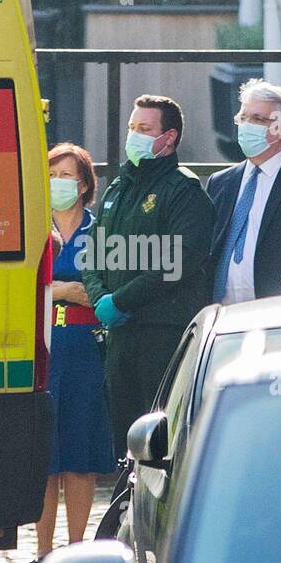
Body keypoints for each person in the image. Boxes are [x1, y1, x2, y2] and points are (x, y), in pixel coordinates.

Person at [83, 95, 215, 459]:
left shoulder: (184, 192)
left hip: (161, 335)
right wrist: (100, 299)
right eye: (132, 128)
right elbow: (93, 255)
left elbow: (176, 262)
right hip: (119, 338)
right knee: (125, 444)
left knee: (161, 441)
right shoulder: (118, 189)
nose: (134, 135)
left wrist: (123, 300)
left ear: (169, 138)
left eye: (144, 129)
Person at [32, 143, 116, 563]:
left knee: (79, 458)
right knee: (46, 458)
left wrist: (57, 291)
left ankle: (77, 551)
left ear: (83, 184)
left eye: (66, 175)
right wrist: (70, 289)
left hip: (85, 348)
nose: (57, 183)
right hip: (44, 349)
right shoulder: (33, 228)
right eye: (51, 174)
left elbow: (101, 289)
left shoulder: (101, 232)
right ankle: (43, 552)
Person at [207, 79, 281, 303]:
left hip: (276, 313)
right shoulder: (220, 183)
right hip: (222, 315)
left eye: (257, 119)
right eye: (243, 117)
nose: (246, 126)